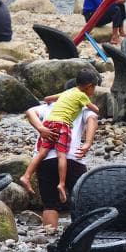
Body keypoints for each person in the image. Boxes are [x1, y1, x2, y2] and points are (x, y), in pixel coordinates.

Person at [19, 69, 100, 203]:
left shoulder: (51, 105)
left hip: (44, 161)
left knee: (50, 206)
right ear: (88, 87)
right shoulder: (82, 103)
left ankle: (26, 176)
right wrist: (88, 143)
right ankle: (61, 184)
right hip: (72, 158)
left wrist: (41, 128)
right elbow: (93, 118)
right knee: (83, 203)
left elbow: (31, 110)